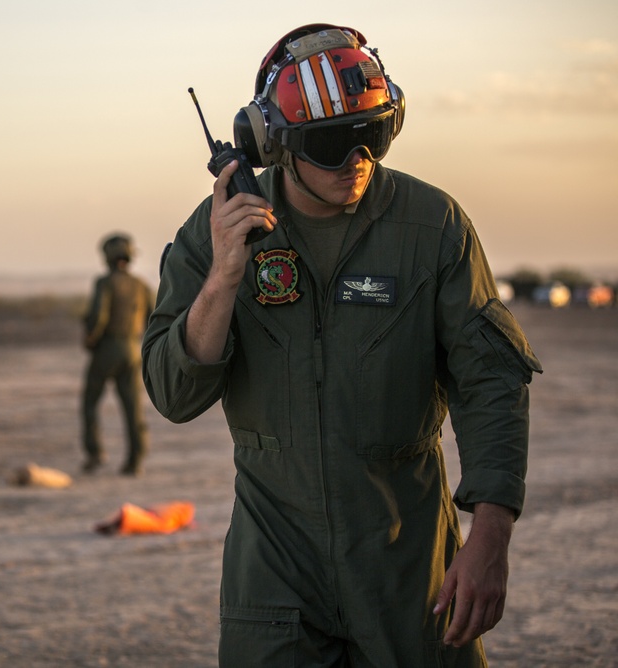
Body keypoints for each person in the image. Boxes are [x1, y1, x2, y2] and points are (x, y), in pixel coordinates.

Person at [141, 24, 542, 666]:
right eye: (332, 141)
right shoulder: (216, 230)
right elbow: (172, 394)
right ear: (274, 144)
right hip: (273, 563)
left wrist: (491, 533)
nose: (358, 157)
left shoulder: (431, 225)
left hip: (407, 559)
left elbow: (489, 381)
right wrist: (223, 277)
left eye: (374, 133)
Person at [81, 233, 155, 476]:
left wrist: (91, 336)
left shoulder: (105, 283)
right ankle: (136, 461)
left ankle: (95, 453)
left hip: (107, 348)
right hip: (133, 350)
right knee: (133, 408)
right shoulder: (142, 285)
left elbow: (98, 316)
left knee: (90, 402)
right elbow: (155, 318)